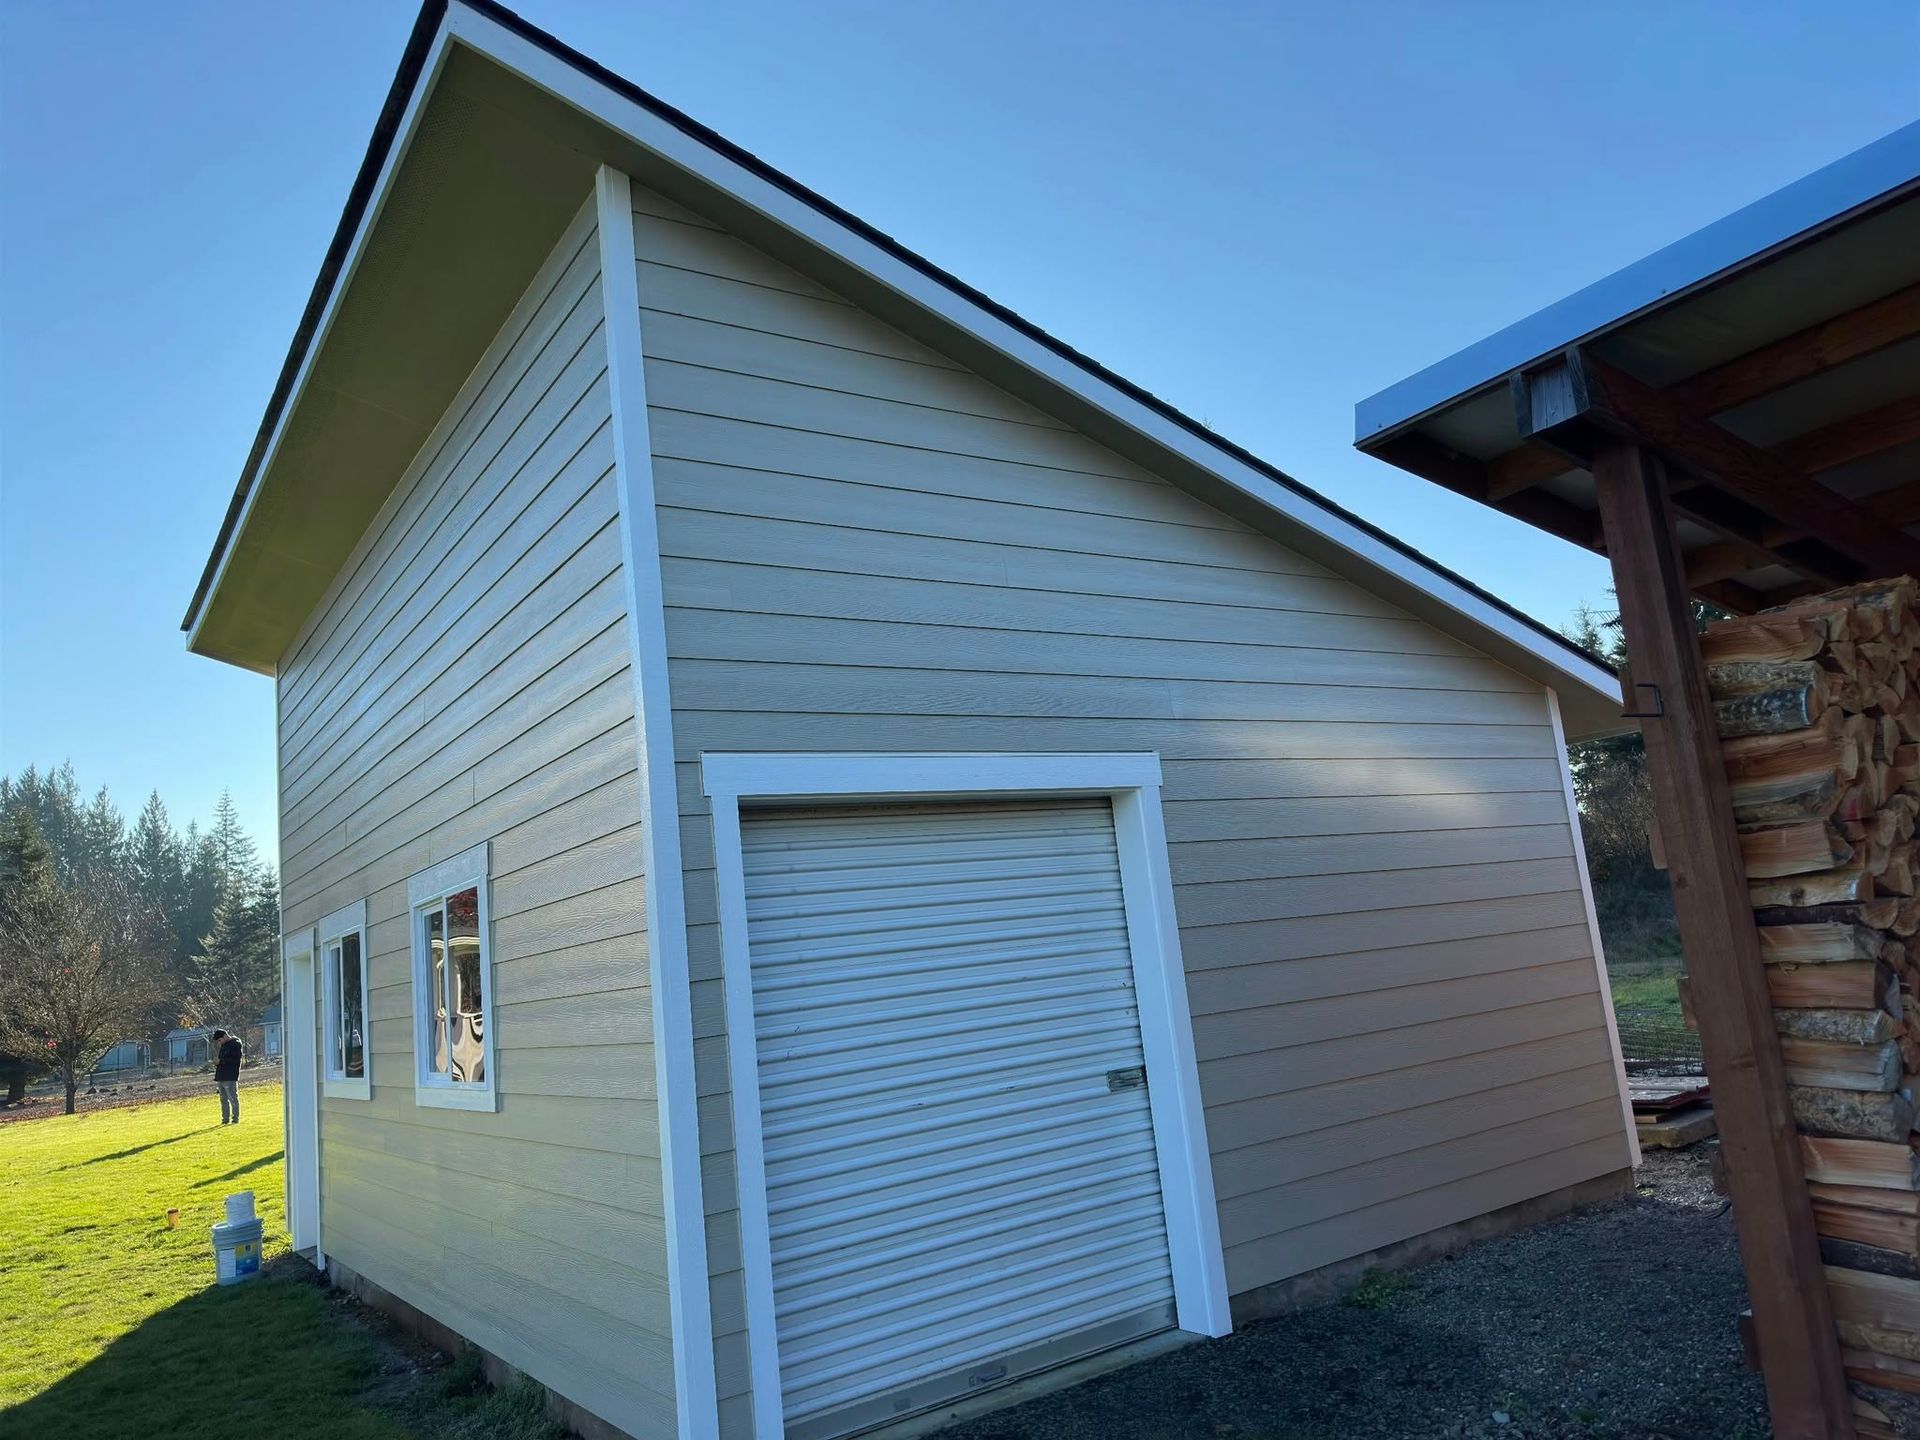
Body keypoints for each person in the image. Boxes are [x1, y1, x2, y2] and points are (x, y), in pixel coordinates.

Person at [212, 1029, 243, 1124]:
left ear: (225, 1036)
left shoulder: (235, 1044)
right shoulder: (224, 1045)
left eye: (220, 1040)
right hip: (221, 1076)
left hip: (230, 1076)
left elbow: (236, 1060)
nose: (219, 1042)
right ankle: (225, 1119)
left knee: (232, 1098)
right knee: (223, 1099)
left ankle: (235, 1119)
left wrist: (221, 1061)